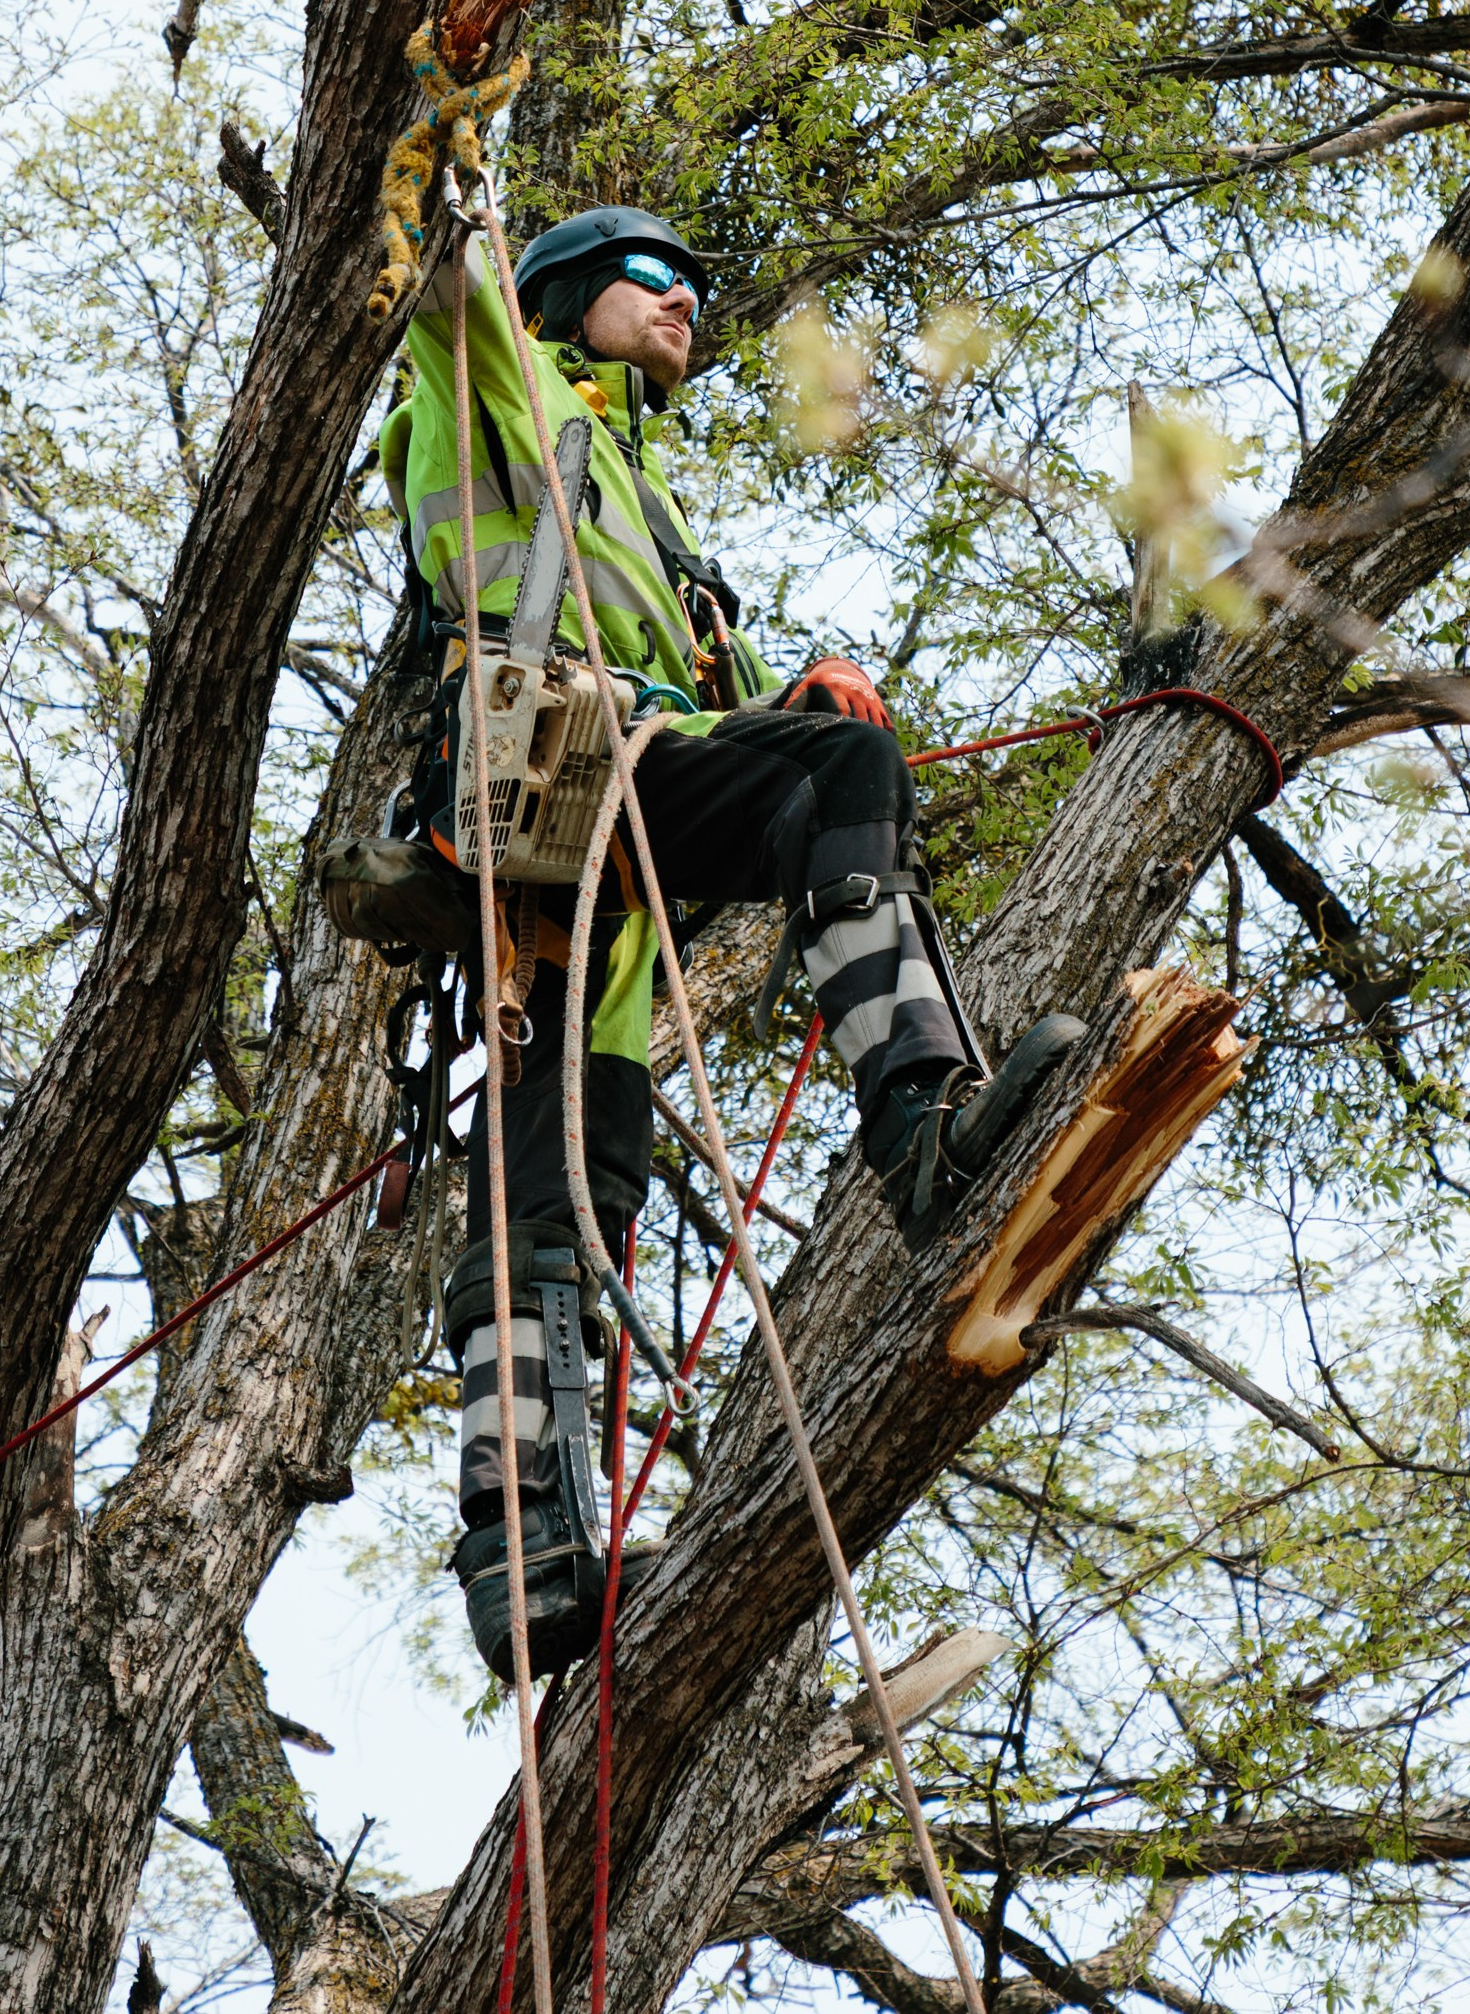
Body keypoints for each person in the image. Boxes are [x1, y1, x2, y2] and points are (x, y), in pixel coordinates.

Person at [377, 203, 1082, 1680]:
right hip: (548, 762)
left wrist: (795, 683)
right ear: (562, 295)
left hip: (603, 896)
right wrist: (456, 109)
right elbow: (437, 273)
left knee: (567, 1204)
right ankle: (920, 1127)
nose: (687, 301)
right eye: (655, 279)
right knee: (835, 787)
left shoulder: (655, 519)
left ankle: (529, 1568)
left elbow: (727, 712)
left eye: (700, 285)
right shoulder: (497, 390)